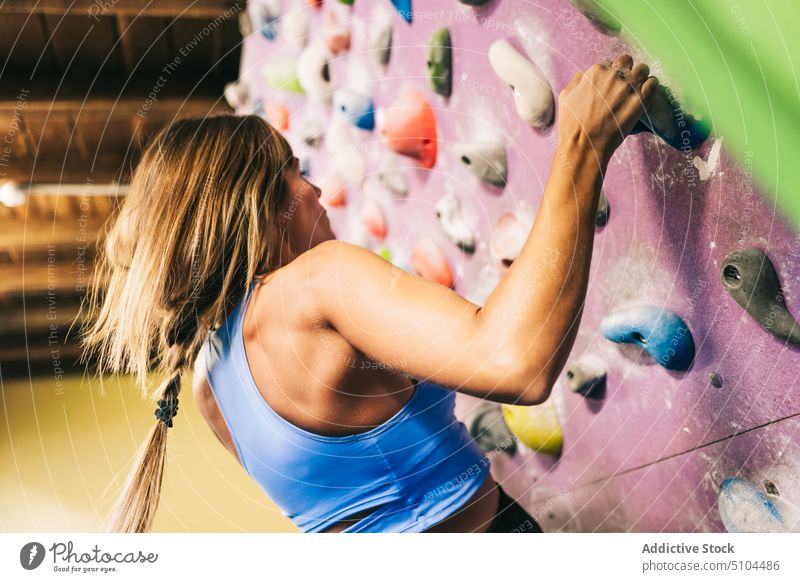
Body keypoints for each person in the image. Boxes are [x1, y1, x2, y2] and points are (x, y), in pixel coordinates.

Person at [82, 53, 658, 533]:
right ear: (258, 207)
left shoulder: (212, 391)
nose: (317, 189)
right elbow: (519, 364)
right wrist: (582, 142)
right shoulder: (316, 283)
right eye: (295, 170)